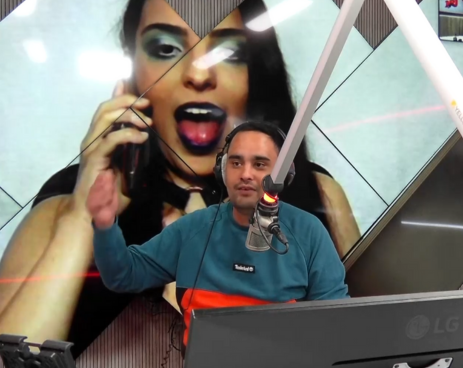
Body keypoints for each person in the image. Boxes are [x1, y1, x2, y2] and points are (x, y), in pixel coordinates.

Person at [0, 0, 359, 356]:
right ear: (132, 77)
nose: (198, 74)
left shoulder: (315, 197)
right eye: (166, 49)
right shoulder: (63, 208)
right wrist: (81, 220)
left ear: (256, 75)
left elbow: (365, 346)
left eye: (228, 53)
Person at [88, 121, 350, 347]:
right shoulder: (193, 229)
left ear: (284, 174)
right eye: (236, 163)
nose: (245, 174)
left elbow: (336, 321)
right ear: (222, 170)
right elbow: (124, 275)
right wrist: (104, 224)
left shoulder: (308, 232)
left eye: (259, 164)